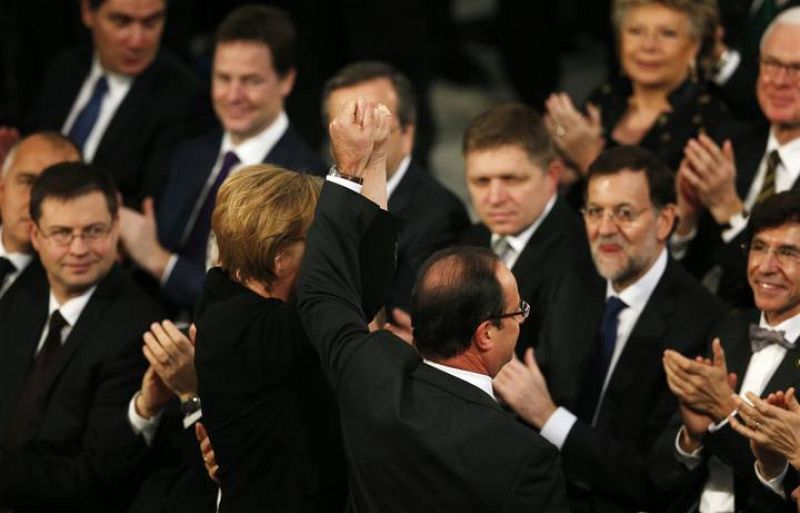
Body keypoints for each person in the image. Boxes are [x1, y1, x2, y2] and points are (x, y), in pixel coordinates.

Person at [297, 97, 569, 512]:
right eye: (518, 312)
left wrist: (356, 168)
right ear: (486, 333)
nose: (521, 320)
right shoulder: (525, 457)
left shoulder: (371, 377)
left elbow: (322, 290)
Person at [493, 145, 724, 513]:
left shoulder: (701, 320)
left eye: (624, 214)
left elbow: (652, 475)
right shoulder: (573, 280)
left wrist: (550, 417)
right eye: (595, 212)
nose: (604, 230)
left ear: (665, 222)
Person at [118, 4, 325, 312]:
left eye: (251, 81)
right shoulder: (187, 155)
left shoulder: (306, 183)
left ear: (286, 81)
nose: (233, 95)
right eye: (223, 78)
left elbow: (256, 302)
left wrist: (158, 261)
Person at [0, 162, 162, 512]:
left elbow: (92, 476)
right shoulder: (22, 293)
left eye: (93, 231)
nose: (78, 249)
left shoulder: (138, 327)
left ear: (116, 227)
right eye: (61, 233)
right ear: (35, 236)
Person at [194, 164, 346, 513]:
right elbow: (354, 281)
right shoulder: (250, 325)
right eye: (318, 239)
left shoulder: (220, 298)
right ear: (281, 259)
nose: (324, 253)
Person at [655, 191, 800, 512]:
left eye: (788, 252)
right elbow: (660, 472)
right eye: (759, 247)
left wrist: (724, 415)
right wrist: (691, 439)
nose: (766, 266)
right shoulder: (728, 328)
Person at [24, 0, 213, 207]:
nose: (137, 41)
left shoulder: (185, 99)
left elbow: (153, 206)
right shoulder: (65, 67)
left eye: (151, 22)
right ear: (88, 12)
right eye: (122, 22)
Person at [672, 7, 800, 308]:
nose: (778, 81)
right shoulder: (727, 142)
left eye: (797, 69)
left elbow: (784, 288)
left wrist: (729, 212)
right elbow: (677, 271)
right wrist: (685, 223)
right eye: (770, 63)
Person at [322, 60, 469, 314]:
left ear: (407, 133)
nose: (359, 141)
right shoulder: (317, 197)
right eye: (346, 130)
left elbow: (402, 315)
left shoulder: (438, 215)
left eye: (373, 128)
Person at [460, 103, 593, 354]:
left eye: (511, 179)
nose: (495, 197)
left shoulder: (582, 254)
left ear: (553, 175)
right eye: (481, 181)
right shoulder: (470, 239)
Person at [545, 0, 735, 175]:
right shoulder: (605, 97)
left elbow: (664, 207)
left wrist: (590, 159)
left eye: (667, 34)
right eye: (636, 31)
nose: (648, 46)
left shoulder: (709, 118)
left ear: (695, 45)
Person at [0, 132, 80, 307]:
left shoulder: (75, 287)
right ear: (2, 188)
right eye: (27, 182)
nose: (34, 202)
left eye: (54, 189)